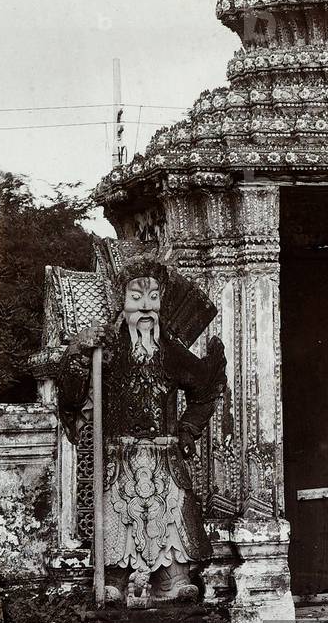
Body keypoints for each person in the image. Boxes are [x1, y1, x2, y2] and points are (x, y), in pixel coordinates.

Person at [57, 259, 226, 604]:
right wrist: (79, 349)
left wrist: (188, 430)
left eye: (152, 298)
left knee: (172, 512)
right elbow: (72, 395)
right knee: (118, 517)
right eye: (136, 298)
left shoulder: (171, 351)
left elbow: (205, 388)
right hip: (120, 455)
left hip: (164, 456)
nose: (145, 306)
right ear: (123, 302)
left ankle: (172, 581)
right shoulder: (107, 349)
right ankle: (114, 582)